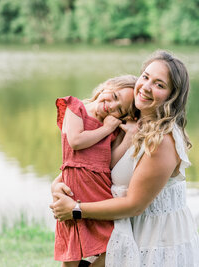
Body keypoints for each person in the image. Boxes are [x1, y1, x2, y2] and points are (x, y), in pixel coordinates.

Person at [52, 50, 199, 267]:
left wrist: (75, 210)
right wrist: (57, 186)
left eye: (159, 85)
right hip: (119, 231)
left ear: (172, 96)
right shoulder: (125, 121)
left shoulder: (163, 140)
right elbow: (88, 166)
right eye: (146, 77)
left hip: (154, 238)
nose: (147, 87)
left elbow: (134, 205)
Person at [53, 75, 138, 267]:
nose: (112, 106)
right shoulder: (76, 108)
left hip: (99, 192)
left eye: (120, 110)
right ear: (107, 86)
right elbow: (75, 141)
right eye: (114, 96)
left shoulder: (113, 128)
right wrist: (106, 129)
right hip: (74, 191)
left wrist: (129, 137)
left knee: (114, 245)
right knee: (72, 253)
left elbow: (109, 162)